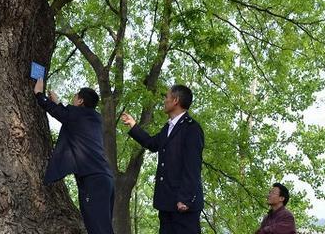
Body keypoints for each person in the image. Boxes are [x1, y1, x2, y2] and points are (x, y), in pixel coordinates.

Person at [33, 78, 114, 234]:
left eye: (75, 96)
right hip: (106, 180)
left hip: (93, 181)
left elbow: (59, 113)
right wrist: (59, 103)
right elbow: (70, 116)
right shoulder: (95, 119)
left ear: (80, 101)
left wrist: (39, 94)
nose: (73, 98)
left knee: (98, 229)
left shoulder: (77, 116)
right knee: (102, 228)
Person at [120, 84, 204, 234]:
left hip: (183, 204)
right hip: (166, 202)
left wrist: (185, 199)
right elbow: (152, 144)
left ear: (175, 100)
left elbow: (193, 165)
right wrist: (133, 125)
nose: (164, 100)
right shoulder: (168, 128)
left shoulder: (192, 129)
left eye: (167, 97)